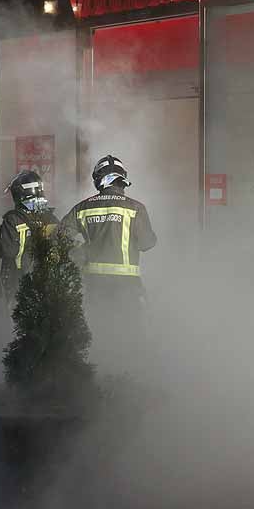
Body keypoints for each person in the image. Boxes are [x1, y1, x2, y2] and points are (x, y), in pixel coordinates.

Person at [61, 155, 157, 363]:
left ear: (98, 179)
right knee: (131, 332)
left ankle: (102, 371)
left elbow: (60, 236)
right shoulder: (135, 208)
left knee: (98, 331)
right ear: (122, 178)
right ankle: (128, 375)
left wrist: (81, 251)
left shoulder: (83, 208)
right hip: (128, 285)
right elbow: (147, 244)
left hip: (94, 283)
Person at [0, 170, 58, 313]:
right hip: (46, 280)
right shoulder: (51, 218)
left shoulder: (13, 219)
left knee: (16, 320)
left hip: (18, 280)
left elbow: (9, 250)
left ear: (22, 194)